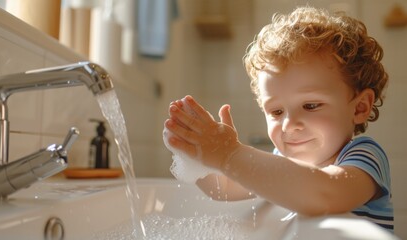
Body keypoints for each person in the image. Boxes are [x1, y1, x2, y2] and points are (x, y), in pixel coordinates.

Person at [163, 6, 393, 232]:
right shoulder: (279, 159)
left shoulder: (363, 156)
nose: (289, 125)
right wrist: (197, 156)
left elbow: (325, 194)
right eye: (276, 112)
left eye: (310, 105)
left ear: (360, 107)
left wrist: (230, 155)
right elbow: (224, 188)